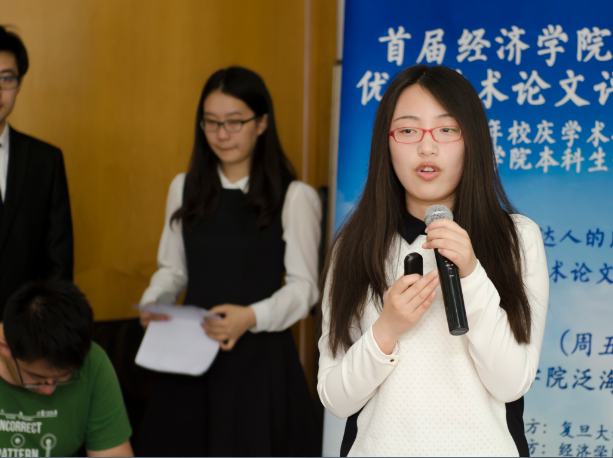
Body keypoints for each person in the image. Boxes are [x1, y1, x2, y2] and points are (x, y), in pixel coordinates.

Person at [318, 65, 549, 457]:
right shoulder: (355, 246)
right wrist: (386, 329)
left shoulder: (517, 238)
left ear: (472, 140)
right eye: (408, 130)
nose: (427, 147)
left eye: (446, 129)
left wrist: (472, 274)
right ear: (386, 143)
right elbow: (336, 399)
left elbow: (511, 383)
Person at [136, 67, 322, 457]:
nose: (222, 134)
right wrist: (155, 301)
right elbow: (174, 269)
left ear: (261, 123)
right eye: (211, 122)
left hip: (260, 362)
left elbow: (305, 288)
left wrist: (250, 317)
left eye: (234, 122)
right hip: (191, 355)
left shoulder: (294, 197)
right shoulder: (184, 187)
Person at [0, 280, 133, 457]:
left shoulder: (94, 362)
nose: (49, 389)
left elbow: (113, 452)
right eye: (36, 377)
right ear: (4, 347)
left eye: (62, 376)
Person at [0, 26, 73, 314]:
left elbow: (59, 264)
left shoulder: (46, 161)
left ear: (19, 83)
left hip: (28, 331)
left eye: (6, 78)